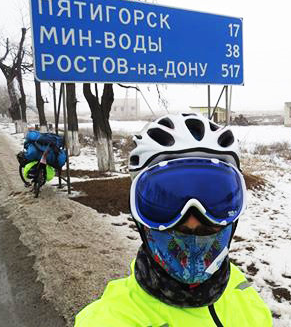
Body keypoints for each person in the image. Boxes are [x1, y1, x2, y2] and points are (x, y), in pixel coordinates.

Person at [75, 113, 272, 327]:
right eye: (168, 202)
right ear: (139, 217)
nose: (193, 223)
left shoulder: (246, 297)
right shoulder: (110, 318)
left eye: (214, 199)